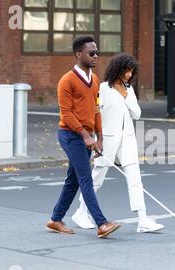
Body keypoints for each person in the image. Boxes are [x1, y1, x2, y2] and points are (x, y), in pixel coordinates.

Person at [71, 53, 165, 233]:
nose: (129, 75)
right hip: (107, 140)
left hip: (127, 140)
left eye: (131, 72)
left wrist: (126, 95)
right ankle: (81, 212)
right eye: (126, 71)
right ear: (118, 70)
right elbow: (96, 114)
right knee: (97, 177)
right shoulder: (104, 88)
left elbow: (137, 114)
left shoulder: (129, 90)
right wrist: (96, 139)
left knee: (135, 178)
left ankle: (143, 219)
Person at [46, 36, 120, 239]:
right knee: (85, 176)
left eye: (97, 52)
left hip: (86, 136)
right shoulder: (66, 81)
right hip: (70, 135)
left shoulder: (95, 80)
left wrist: (100, 138)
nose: (96, 56)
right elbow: (66, 114)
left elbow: (96, 110)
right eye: (91, 53)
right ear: (79, 54)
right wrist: (86, 136)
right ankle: (102, 223)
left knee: (73, 180)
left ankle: (55, 219)